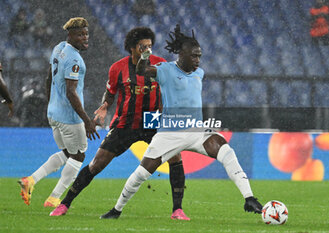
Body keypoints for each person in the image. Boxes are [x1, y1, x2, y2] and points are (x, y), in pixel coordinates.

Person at [99, 25, 263, 219]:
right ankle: (116, 210)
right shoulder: (164, 70)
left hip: (196, 131)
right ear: (181, 55)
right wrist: (144, 57)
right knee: (142, 173)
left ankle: (249, 198)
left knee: (226, 150)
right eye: (194, 56)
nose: (197, 60)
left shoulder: (198, 73)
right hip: (170, 133)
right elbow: (142, 71)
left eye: (199, 56)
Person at [50, 27, 189, 220]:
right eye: (143, 46)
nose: (147, 50)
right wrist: (105, 106)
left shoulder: (160, 64)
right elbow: (111, 93)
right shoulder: (118, 68)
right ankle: (64, 204)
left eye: (150, 46)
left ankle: (177, 210)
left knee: (175, 156)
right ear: (132, 48)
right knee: (97, 164)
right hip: (126, 122)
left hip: (153, 121)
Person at [18, 17, 100, 207]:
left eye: (86, 33)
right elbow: (71, 92)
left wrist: (51, 103)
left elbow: (49, 78)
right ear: (70, 35)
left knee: (67, 153)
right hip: (69, 117)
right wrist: (87, 120)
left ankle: (29, 181)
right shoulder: (74, 59)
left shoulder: (58, 48)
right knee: (79, 156)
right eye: (80, 34)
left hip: (54, 114)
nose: (85, 38)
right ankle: (54, 198)